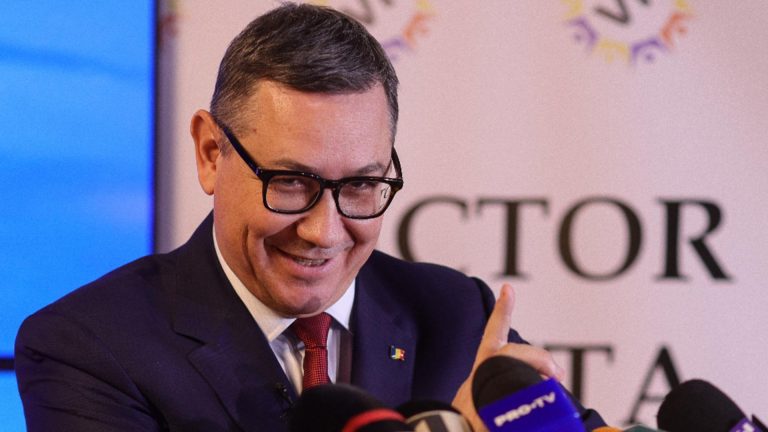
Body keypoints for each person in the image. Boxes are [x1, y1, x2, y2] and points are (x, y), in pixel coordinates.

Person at [15, 3, 604, 431]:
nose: (323, 232)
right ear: (211, 153)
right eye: (290, 182)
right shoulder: (88, 347)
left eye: (361, 185)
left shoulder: (457, 316)